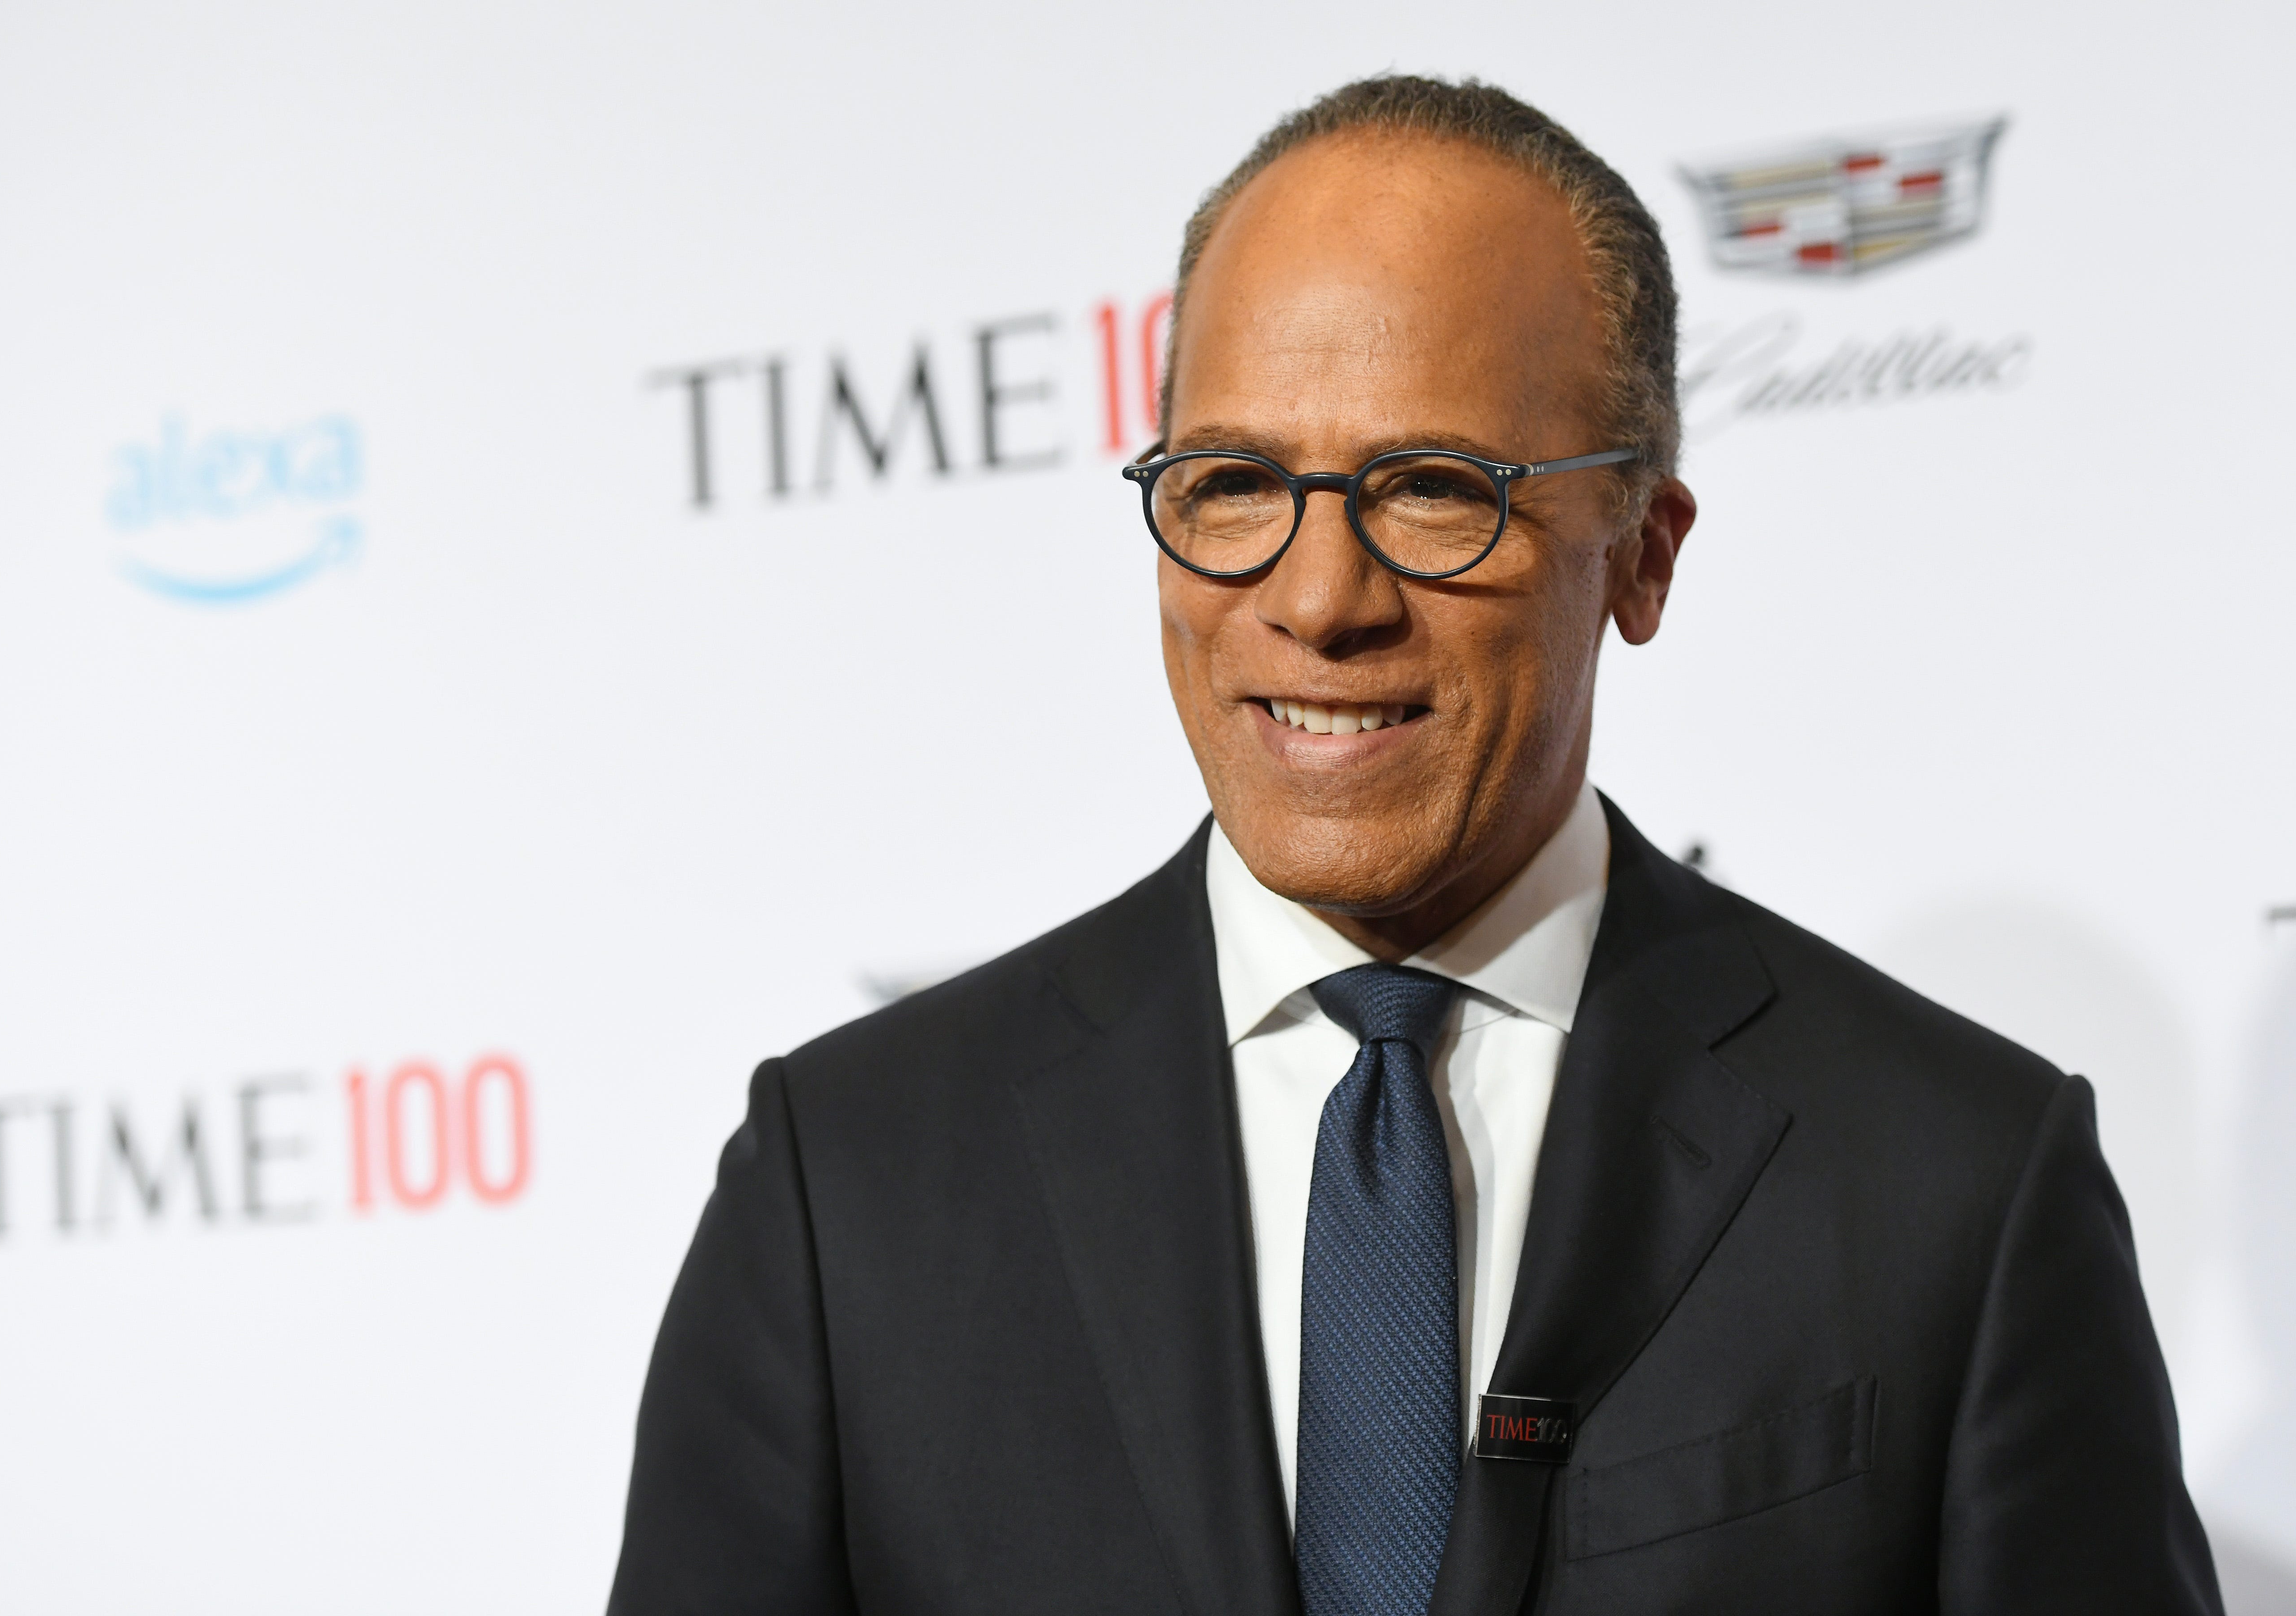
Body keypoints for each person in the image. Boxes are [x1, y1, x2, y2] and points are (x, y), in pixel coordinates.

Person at [607, 75, 2221, 1616]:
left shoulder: (1955, 1181)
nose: (1318, 600)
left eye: (1436, 490)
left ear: (1641, 555)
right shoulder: (853, 1190)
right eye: (1235, 484)